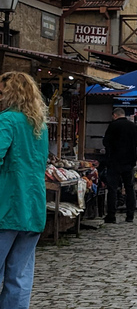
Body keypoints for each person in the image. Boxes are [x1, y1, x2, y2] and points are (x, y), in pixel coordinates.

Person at [0, 72, 49, 308]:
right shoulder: (39, 125)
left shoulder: (7, 120)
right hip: (33, 208)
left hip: (7, 206)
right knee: (19, 276)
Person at [103, 107, 137, 223]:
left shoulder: (113, 126)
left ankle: (111, 215)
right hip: (129, 162)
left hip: (114, 162)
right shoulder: (134, 127)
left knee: (112, 189)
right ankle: (130, 215)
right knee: (129, 188)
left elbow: (106, 142)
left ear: (114, 115)